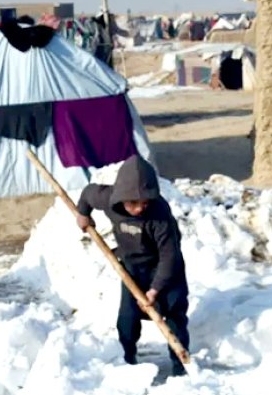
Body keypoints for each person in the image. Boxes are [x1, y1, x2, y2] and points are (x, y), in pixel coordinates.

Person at [76, 155, 190, 376]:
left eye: (145, 203)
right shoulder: (109, 199)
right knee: (127, 317)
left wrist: (155, 290)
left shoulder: (160, 216)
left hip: (164, 267)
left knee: (174, 314)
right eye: (133, 203)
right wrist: (83, 213)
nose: (139, 209)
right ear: (120, 197)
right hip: (132, 267)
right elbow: (89, 193)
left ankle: (180, 367)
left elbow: (170, 257)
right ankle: (127, 361)